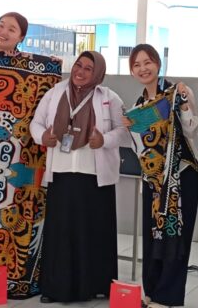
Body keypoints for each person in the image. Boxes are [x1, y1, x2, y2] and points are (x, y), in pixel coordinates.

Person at [30, 50, 130, 303]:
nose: (80, 72)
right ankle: (56, 288)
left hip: (95, 177)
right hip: (62, 174)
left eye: (88, 68)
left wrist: (104, 140)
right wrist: (42, 137)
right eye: (78, 65)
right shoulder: (54, 93)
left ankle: (95, 285)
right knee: (61, 233)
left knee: (93, 233)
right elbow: (36, 123)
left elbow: (123, 131)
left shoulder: (109, 97)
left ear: (98, 73)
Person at [123, 44, 198, 308]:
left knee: (176, 234)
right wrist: (129, 127)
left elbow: (191, 131)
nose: (143, 68)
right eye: (136, 65)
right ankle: (151, 290)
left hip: (181, 176)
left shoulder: (177, 91)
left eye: (147, 62)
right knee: (152, 234)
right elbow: (139, 149)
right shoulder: (138, 106)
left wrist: (184, 103)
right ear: (131, 71)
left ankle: (168, 296)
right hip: (153, 181)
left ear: (158, 63)